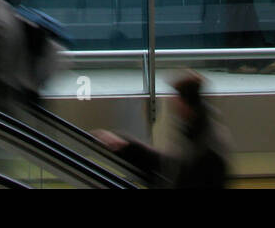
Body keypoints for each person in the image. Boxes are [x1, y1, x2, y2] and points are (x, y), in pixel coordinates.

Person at [94, 72, 231, 189]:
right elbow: (169, 166)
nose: (174, 109)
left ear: (185, 104)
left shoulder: (203, 142)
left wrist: (128, 146)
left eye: (176, 102)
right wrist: (126, 145)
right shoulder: (199, 132)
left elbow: (171, 170)